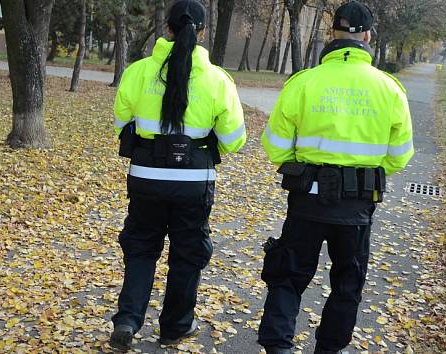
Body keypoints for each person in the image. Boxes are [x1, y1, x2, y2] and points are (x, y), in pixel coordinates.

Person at [257, 2, 414, 354]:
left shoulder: (304, 82)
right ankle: (328, 349)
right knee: (347, 282)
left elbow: (277, 146)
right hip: (357, 206)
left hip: (306, 201)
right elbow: (400, 156)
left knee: (288, 275)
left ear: (332, 34)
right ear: (368, 36)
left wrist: (306, 165)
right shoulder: (389, 89)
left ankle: (278, 347)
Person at [109, 0, 246, 351]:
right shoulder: (217, 80)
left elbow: (122, 123)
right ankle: (174, 327)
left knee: (140, 247)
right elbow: (234, 139)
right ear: (201, 32)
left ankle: (127, 319)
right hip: (193, 181)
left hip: (145, 176)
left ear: (166, 28)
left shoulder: (138, 72)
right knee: (187, 254)